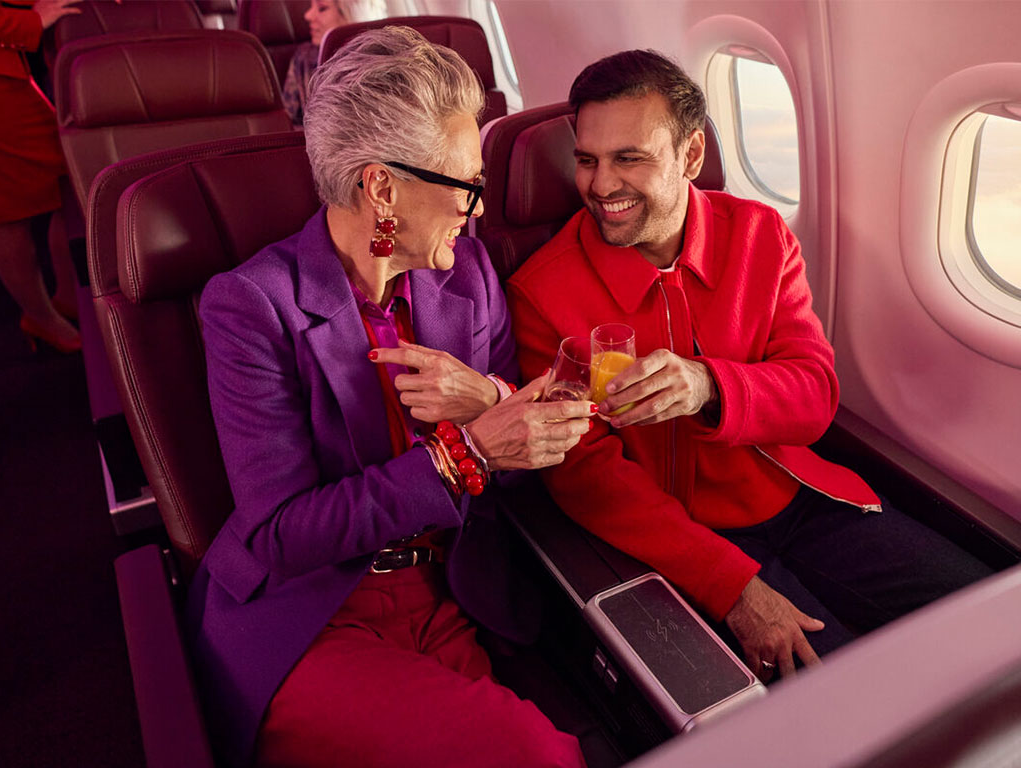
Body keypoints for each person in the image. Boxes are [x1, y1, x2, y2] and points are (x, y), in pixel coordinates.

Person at [507, 49, 992, 681]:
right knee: (854, 693)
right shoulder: (543, 290)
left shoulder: (760, 235)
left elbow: (814, 395)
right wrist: (731, 586)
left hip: (800, 499)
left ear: (690, 156)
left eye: (629, 158)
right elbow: (586, 476)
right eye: (587, 160)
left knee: (991, 620)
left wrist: (708, 385)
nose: (601, 186)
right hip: (685, 542)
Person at [187, 26, 593, 768]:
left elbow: (512, 445)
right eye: (465, 185)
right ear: (381, 187)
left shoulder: (467, 274)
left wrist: (492, 400)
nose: (477, 209)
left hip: (447, 587)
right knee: (536, 756)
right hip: (312, 613)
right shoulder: (251, 306)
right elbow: (281, 532)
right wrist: (462, 454)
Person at [0, 0, 81, 353]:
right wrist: (30, 21)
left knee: (69, 179)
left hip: (10, 71)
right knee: (9, 210)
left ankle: (66, 297)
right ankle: (41, 317)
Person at [282, 0, 351, 125]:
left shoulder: (381, 55)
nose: (307, 15)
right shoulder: (304, 58)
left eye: (322, 8)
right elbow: (289, 122)